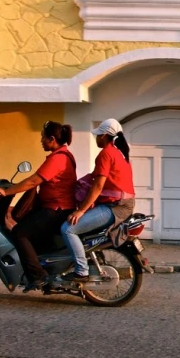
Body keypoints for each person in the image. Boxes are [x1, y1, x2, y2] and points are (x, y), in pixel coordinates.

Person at [0, 121, 77, 292]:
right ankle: (45, 271)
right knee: (30, 232)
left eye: (43, 137)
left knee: (19, 233)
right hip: (56, 208)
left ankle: (38, 277)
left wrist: (8, 191)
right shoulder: (63, 155)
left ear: (52, 139)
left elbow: (34, 180)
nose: (41, 140)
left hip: (56, 210)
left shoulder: (58, 159)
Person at [60, 118, 135, 281]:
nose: (96, 138)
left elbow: (98, 186)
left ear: (104, 136)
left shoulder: (106, 154)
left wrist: (81, 211)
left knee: (68, 228)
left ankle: (81, 270)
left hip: (115, 207)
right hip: (121, 204)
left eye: (98, 135)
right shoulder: (119, 153)